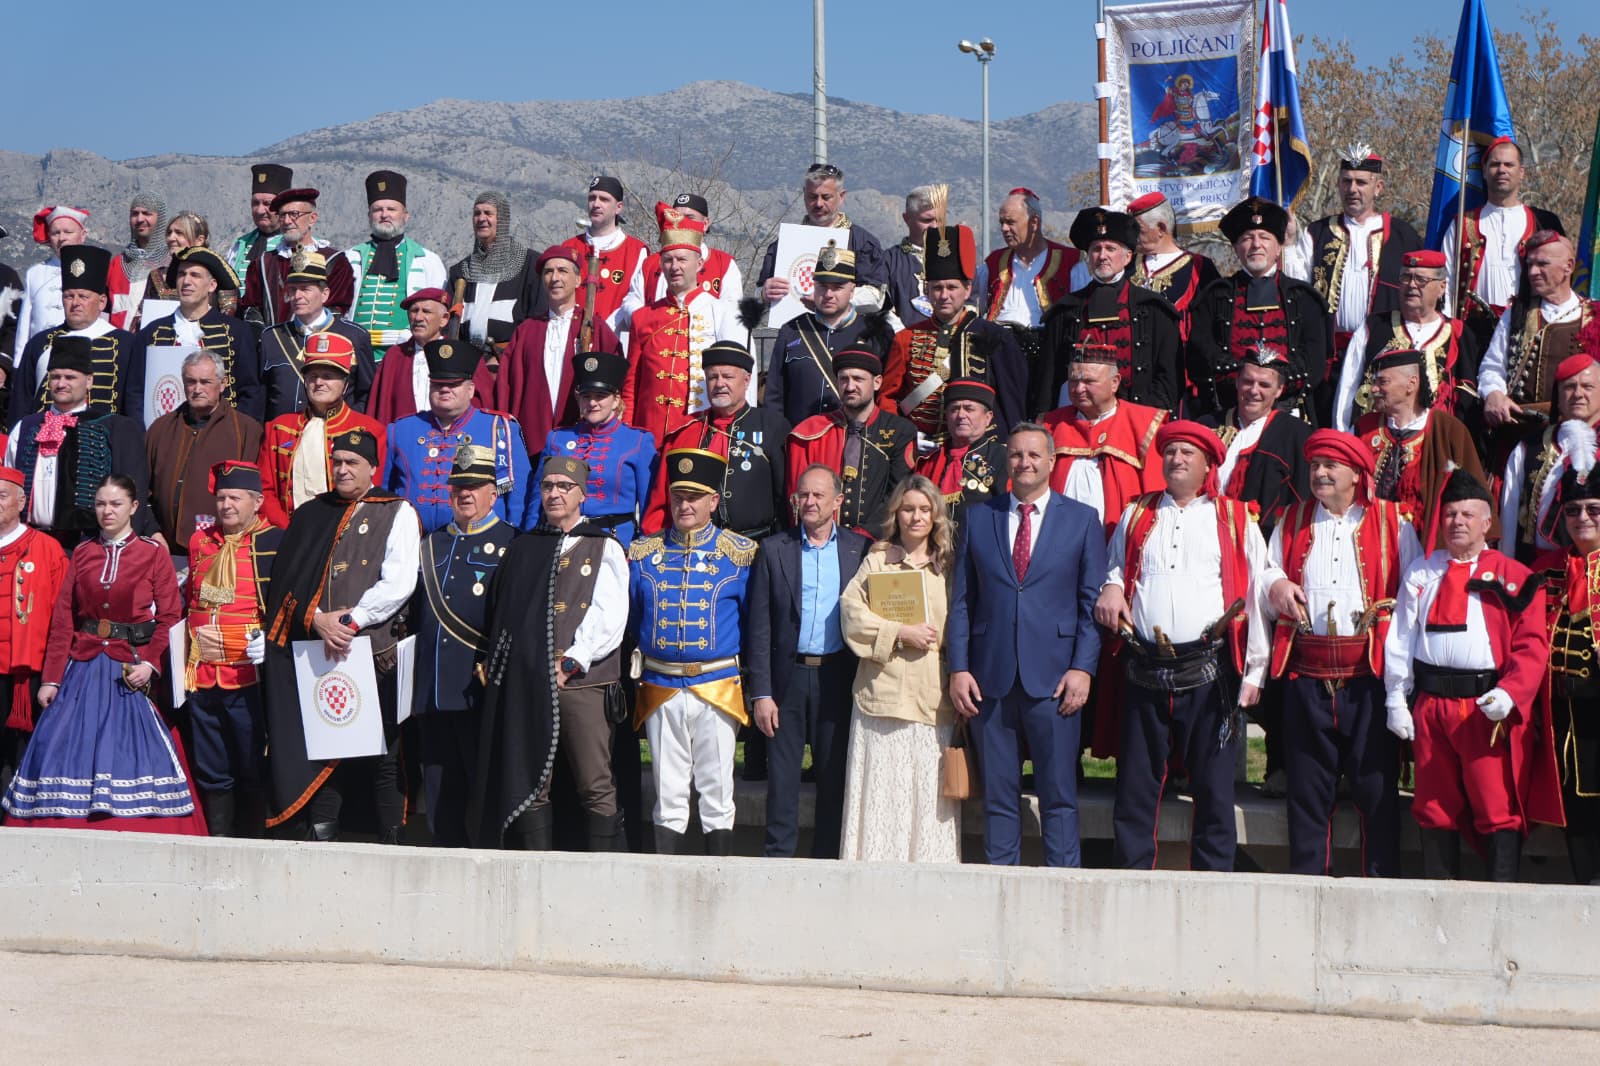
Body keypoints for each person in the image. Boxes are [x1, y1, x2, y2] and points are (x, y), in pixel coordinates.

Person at [1097, 420, 1272, 871]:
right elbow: (1116, 568)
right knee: (1135, 786)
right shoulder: (1138, 513)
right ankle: (1131, 882)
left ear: (1208, 464)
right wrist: (1112, 587)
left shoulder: (1234, 517)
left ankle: (1215, 887)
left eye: (1187, 453)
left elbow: (1254, 594)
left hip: (1208, 670)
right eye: (1171, 451)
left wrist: (1254, 671)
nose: (1176, 459)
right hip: (1145, 667)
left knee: (1214, 790)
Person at [0, 474, 204, 834]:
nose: (107, 511)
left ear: (134, 508)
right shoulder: (82, 552)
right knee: (60, 742)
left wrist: (151, 664)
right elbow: (64, 619)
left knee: (130, 745)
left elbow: (171, 617)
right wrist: (50, 679)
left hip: (130, 666)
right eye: (100, 504)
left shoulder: (152, 553)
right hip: (83, 665)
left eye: (115, 504)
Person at [1384, 469, 1561, 881]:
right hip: (1430, 707)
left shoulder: (1515, 577)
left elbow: (1532, 645)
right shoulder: (1421, 573)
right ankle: (1439, 901)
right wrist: (1397, 698)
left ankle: (1501, 903)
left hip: (1484, 709)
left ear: (1487, 523)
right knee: (1433, 803)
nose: (1457, 522)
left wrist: (1511, 694)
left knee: (1496, 804)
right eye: (1450, 514)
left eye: (1467, 514)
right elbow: (1401, 638)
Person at [1260, 430, 1420, 876]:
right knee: (1307, 792)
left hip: (1368, 676)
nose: (1320, 473)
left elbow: (1411, 596)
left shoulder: (1394, 521)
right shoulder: (1291, 519)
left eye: (1331, 466)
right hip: (1306, 673)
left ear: (1357, 473)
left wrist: (1401, 684)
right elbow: (1266, 570)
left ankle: (1380, 885)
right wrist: (1275, 585)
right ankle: (1308, 886)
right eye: (1314, 466)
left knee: (1374, 787)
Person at [949, 422, 1106, 866]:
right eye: (1016, 455)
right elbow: (962, 600)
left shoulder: (1081, 520)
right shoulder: (979, 517)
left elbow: (1089, 604)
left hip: (1056, 679)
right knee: (998, 798)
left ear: (1052, 461)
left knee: (1059, 797)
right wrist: (958, 667)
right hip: (989, 680)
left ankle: (1063, 891)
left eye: (1034, 455)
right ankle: (1001, 890)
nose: (1024, 463)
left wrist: (1083, 669)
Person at [261, 428, 420, 842]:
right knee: (329, 752)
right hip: (319, 654)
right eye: (338, 462)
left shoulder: (397, 511)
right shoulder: (313, 513)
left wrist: (349, 622)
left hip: (374, 651)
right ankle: (322, 838)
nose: (343, 470)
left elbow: (399, 581)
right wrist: (316, 620)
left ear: (373, 468)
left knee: (383, 752)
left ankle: (392, 840)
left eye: (353, 463)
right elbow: (288, 584)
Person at [470, 454, 629, 851]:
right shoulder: (527, 547)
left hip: (583, 683)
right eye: (548, 486)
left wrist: (572, 661)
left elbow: (610, 614)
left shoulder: (602, 546)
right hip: (529, 680)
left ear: (582, 494)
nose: (554, 494)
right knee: (531, 781)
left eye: (564, 487)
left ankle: (605, 875)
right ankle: (533, 871)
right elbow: (508, 614)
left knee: (594, 781)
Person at [629, 448, 756, 855]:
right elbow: (634, 617)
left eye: (695, 497)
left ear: (713, 501)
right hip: (660, 684)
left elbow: (754, 624)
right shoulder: (643, 554)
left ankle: (719, 881)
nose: (685, 505)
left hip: (717, 684)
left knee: (718, 793)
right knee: (667, 795)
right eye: (679, 496)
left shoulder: (740, 555)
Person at [747, 464, 870, 858]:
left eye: (819, 495)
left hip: (838, 675)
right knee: (782, 781)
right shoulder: (773, 549)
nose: (810, 502)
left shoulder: (860, 550)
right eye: (804, 494)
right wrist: (761, 692)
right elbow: (760, 627)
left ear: (838, 501)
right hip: (788, 679)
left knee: (834, 778)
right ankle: (777, 862)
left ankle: (828, 862)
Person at [836, 474, 960, 862]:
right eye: (908, 509)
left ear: (936, 515)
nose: (916, 517)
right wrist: (899, 632)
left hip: (930, 700)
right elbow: (850, 614)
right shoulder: (878, 559)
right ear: (896, 514)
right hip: (882, 699)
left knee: (926, 801)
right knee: (881, 797)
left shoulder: (950, 567)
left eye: (925, 509)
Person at [411, 446, 517, 848]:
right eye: (458, 486)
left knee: (485, 788)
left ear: (494, 493)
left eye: (475, 486)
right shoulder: (430, 545)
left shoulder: (512, 544)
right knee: (439, 793)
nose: (465, 494)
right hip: (433, 690)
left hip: (479, 690)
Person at [181, 460, 281, 837]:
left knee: (251, 763)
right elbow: (196, 599)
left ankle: (252, 838)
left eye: (235, 498)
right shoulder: (200, 541)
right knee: (211, 764)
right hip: (203, 674)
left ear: (256, 502)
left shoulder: (275, 540)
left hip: (247, 676)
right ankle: (218, 836)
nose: (226, 506)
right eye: (221, 497)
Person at [879, 219, 1026, 440]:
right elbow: (888, 397)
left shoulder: (994, 338)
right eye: (937, 288)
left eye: (952, 287)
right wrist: (903, 435)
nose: (944, 295)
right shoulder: (906, 339)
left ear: (967, 290)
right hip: (918, 449)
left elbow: (1010, 401)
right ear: (927, 291)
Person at [1187, 197, 1330, 421]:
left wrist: (1276, 385)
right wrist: (1242, 380)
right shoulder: (1214, 297)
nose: (1256, 245)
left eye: (1265, 237)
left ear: (1279, 246)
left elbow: (1315, 361)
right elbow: (1201, 355)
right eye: (1247, 238)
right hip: (1228, 410)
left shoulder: (1304, 298)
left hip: (1291, 411)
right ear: (1235, 248)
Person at [5, 338, 156, 549]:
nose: (61, 383)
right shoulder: (25, 427)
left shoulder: (114, 428)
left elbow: (133, 490)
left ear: (89, 381)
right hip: (31, 542)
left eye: (70, 377)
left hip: (89, 545)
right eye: (55, 377)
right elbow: (10, 484)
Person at [1036, 208, 1182, 415]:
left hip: (1138, 418)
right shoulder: (1065, 312)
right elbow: (1048, 382)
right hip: (1079, 420)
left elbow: (1168, 380)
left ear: (1128, 257)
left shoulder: (1155, 310)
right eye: (1096, 249)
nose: (1102, 256)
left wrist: (1144, 419)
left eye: (1111, 248)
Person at [1291, 147, 1423, 376]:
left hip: (1385, 356)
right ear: (1338, 185)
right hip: (1328, 357)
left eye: (1361, 182)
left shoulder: (1404, 237)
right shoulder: (1317, 233)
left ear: (1378, 188)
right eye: (1346, 181)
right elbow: (1295, 287)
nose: (1352, 189)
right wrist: (1287, 244)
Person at [641, 340, 789, 540]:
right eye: (712, 377)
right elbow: (662, 500)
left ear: (746, 380)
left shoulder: (772, 426)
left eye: (728, 376)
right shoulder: (685, 432)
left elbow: (785, 497)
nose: (720, 383)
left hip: (757, 547)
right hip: (694, 548)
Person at [384, 339, 533, 534]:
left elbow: (517, 496)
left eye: (453, 384)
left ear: (470, 389)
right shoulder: (400, 429)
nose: (444, 389)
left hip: (479, 543)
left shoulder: (499, 428)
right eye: (437, 384)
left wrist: (515, 540)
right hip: (411, 542)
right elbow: (384, 491)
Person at [622, 203, 740, 446]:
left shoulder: (720, 312)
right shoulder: (643, 317)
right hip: (648, 435)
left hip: (698, 431)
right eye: (668, 260)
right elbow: (631, 384)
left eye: (682, 259)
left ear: (698, 264)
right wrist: (626, 432)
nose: (674, 267)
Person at [1333, 249, 1480, 434]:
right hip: (1374, 440)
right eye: (1405, 278)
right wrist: (1343, 436)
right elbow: (1347, 388)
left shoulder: (1458, 334)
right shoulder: (1374, 326)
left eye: (1421, 279)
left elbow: (1468, 402)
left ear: (1442, 287)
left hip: (1433, 446)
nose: (1411, 285)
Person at [493, 245, 622, 455]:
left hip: (582, 441)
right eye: (548, 272)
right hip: (532, 443)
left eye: (563, 271)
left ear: (578, 279)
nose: (555, 278)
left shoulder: (595, 328)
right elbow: (507, 385)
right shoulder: (526, 331)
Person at [1355, 348, 1487, 552]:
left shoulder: (1448, 430)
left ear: (1412, 383)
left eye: (1383, 382)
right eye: (1374, 382)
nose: (1373, 389)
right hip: (1369, 544)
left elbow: (1473, 496)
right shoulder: (1364, 428)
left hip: (1428, 551)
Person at [1537, 465, 1600, 884]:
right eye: (1574, 510)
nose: (1583, 519)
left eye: (1594, 509)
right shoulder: (1546, 569)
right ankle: (1585, 883)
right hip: (1561, 709)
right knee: (1573, 797)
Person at [1443, 137, 1565, 351]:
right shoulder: (1463, 223)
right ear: (1483, 170)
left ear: (1522, 172)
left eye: (1509, 164)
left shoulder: (1544, 223)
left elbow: (1562, 279)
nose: (1502, 170)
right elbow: (1446, 280)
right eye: (1495, 164)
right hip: (1471, 334)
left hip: (1528, 331)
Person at [258, 332, 385, 529]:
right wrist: (288, 529)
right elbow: (265, 490)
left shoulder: (369, 429)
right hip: (288, 533)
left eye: (328, 376)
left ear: (345, 383)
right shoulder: (279, 427)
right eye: (313, 376)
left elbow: (372, 491)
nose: (319, 383)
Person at [144, 350, 266, 556]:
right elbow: (141, 488)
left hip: (220, 550)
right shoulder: (160, 429)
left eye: (205, 382)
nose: (197, 389)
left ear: (223, 383)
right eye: (191, 382)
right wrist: (152, 531)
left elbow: (252, 498)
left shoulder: (246, 430)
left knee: (213, 591)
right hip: (163, 549)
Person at [532, 352, 657, 547]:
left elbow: (650, 506)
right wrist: (530, 540)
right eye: (586, 396)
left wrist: (643, 552)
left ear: (616, 400)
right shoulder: (557, 439)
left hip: (615, 542)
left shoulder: (638, 442)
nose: (592, 403)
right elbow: (537, 500)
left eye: (600, 396)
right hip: (559, 540)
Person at [786, 349, 917, 533]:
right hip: (823, 540)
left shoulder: (900, 431)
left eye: (858, 379)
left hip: (878, 543)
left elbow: (898, 493)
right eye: (843, 379)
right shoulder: (814, 431)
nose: (849, 387)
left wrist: (865, 535)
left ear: (877, 382)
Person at [763, 245, 892, 428]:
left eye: (838, 287)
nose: (828, 294)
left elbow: (886, 393)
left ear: (852, 290)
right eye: (822, 286)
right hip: (800, 443)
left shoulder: (875, 332)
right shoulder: (792, 330)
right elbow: (774, 395)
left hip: (856, 442)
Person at [1041, 352, 1168, 535]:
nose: (1078, 389)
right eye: (1073, 381)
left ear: (1115, 382)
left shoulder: (1145, 425)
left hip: (1120, 543)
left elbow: (1157, 491)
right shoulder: (1049, 425)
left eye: (1088, 382)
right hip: (1058, 540)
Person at [131, 246, 262, 422]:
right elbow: (136, 393)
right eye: (181, 274)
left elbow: (250, 392)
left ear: (212, 285)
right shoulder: (151, 333)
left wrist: (240, 437)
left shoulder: (238, 332)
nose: (186, 281)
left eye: (195, 275)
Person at [1478, 232, 1593, 432]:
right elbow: (1493, 367)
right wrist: (1493, 393)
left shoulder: (1594, 316)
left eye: (1542, 264)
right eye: (1529, 264)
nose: (1532, 272)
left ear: (1569, 266)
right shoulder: (1516, 314)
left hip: (1578, 437)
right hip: (1520, 433)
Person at [0, 467, 70, 788]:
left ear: (21, 501)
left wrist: (54, 677)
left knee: (22, 759)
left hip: (26, 677)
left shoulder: (47, 548)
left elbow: (63, 620)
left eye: (2, 496)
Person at [10, 245, 136, 423]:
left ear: (101, 302)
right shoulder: (39, 343)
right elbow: (21, 403)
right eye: (69, 296)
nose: (75, 303)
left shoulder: (126, 344)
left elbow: (132, 405)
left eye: (83, 297)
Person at [1198, 350, 1313, 539]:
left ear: (1279, 390)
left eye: (1264, 385)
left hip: (1263, 541)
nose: (1254, 390)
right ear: (1237, 382)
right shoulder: (1207, 425)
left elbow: (1301, 501)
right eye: (1248, 381)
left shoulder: (1297, 436)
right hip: (1204, 534)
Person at [1499, 347, 1600, 562]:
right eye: (1570, 387)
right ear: (1558, 395)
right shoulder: (1528, 448)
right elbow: (1509, 516)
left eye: (1588, 386)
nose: (1578, 394)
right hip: (1539, 570)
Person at [334, 170, 447, 353]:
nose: (384, 214)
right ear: (369, 215)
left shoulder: (428, 260)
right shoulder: (350, 257)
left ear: (405, 216)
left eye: (391, 209)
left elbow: (439, 312)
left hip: (406, 352)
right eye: (378, 210)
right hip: (356, 352)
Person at [258, 252, 376, 419]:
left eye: (305, 289)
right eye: (292, 290)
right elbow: (261, 394)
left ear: (324, 294)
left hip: (337, 435)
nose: (297, 296)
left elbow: (367, 394)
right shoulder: (271, 338)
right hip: (283, 436)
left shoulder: (354, 336)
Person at [976, 187, 1083, 371]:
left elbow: (1083, 314)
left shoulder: (1071, 261)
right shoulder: (993, 263)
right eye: (1002, 222)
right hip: (1002, 356)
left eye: (1010, 222)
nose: (1004, 229)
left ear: (1034, 222)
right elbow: (975, 305)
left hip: (1051, 356)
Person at [758, 163, 888, 313]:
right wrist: (763, 293)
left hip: (847, 333)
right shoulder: (785, 244)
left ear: (841, 196)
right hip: (796, 332)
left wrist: (829, 299)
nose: (818, 204)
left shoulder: (862, 242)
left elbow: (875, 295)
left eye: (826, 197)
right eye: (812, 197)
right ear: (804, 194)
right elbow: (758, 293)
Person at [367, 287, 495, 425]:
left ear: (444, 319)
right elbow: (379, 409)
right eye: (414, 311)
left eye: (426, 311)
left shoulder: (465, 355)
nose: (418, 317)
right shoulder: (395, 356)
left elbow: (484, 403)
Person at [448, 190, 545, 351]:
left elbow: (537, 321)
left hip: (509, 360)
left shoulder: (531, 265)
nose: (481, 218)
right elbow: (447, 321)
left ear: (502, 219)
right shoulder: (461, 271)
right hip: (466, 361)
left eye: (488, 213)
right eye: (477, 213)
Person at [240, 187, 350, 328]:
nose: (287, 221)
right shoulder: (263, 263)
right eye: (282, 215)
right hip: (272, 344)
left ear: (312, 218)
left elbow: (337, 308)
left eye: (294, 214)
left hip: (317, 343)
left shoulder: (335, 262)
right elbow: (252, 308)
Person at [558, 175, 650, 341]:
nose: (596, 204)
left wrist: (604, 329)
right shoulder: (569, 247)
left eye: (604, 199)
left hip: (616, 340)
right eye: (592, 198)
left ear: (618, 207)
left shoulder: (637, 251)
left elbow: (636, 300)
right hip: (571, 338)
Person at [915, 379, 1009, 533]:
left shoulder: (1002, 457)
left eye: (969, 409)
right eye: (954, 409)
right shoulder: (929, 459)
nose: (961, 415)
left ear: (988, 417)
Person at [1126, 191, 1219, 341]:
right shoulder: (1128, 265)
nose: (1133, 237)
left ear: (1161, 229)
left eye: (1139, 231)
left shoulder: (1200, 268)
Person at [639, 192, 745, 322]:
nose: (682, 222)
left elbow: (732, 309)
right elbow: (633, 301)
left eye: (690, 217)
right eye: (677, 217)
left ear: (705, 223)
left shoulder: (724, 263)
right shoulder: (650, 263)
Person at [16, 205, 90, 347]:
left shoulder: (95, 270)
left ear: (82, 235)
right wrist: (19, 364)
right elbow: (24, 326)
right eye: (56, 233)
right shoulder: (34, 274)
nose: (61, 238)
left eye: (68, 232)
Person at [106, 194, 170, 331]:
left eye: (147, 213)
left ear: (160, 218)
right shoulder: (118, 263)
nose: (140, 219)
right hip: (120, 343)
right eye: (135, 214)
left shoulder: (171, 263)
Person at [881, 186, 940, 327]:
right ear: (907, 218)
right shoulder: (888, 261)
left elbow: (971, 302)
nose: (935, 226)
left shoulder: (957, 257)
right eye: (927, 220)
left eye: (939, 220)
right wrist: (903, 337)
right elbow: (883, 306)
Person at [138, 211, 217, 314]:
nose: (171, 238)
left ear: (199, 240)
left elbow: (229, 315)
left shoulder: (219, 274)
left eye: (179, 233)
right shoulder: (156, 276)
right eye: (169, 233)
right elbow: (143, 315)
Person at [225, 163, 292, 284]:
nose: (260, 210)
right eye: (255, 203)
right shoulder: (240, 246)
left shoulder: (294, 244)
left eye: (267, 203)